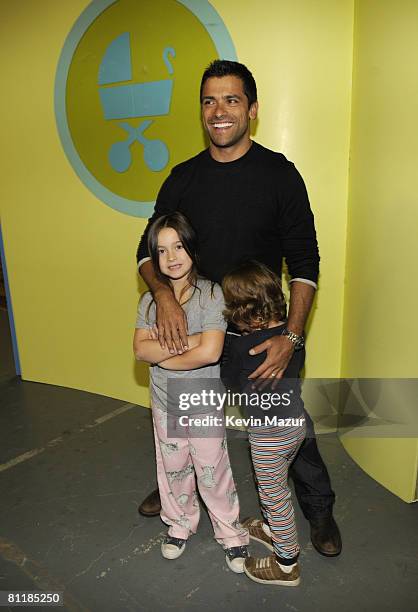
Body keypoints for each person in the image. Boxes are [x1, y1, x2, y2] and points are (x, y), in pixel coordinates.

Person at [136, 59, 342, 557]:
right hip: (197, 330)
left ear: (252, 109)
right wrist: (164, 295)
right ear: (201, 111)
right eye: (209, 101)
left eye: (231, 100)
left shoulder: (279, 175)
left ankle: (318, 510)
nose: (219, 111)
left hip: (260, 335)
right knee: (186, 421)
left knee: (289, 431)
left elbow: (306, 262)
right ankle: (176, 490)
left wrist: (292, 336)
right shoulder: (183, 178)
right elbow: (147, 250)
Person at [133, 211, 249, 572]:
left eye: (178, 247)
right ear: (154, 257)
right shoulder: (149, 302)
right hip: (163, 402)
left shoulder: (212, 294)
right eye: (162, 251)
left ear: (192, 248)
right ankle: (179, 524)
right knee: (172, 469)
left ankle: (231, 533)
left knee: (212, 468)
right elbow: (140, 349)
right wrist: (189, 345)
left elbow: (210, 352)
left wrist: (165, 356)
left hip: (201, 402)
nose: (172, 258)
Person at [221, 260, 306, 586]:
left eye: (231, 307)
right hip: (295, 425)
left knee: (274, 493)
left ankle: (287, 563)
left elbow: (231, 381)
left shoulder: (245, 345)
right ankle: (272, 530)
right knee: (274, 482)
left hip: (269, 435)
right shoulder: (290, 341)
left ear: (246, 311)